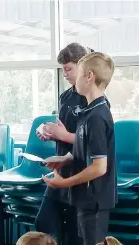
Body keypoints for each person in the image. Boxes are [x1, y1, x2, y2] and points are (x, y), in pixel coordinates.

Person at [43, 52, 117, 245]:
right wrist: (65, 159)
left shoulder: (98, 116)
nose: (73, 79)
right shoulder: (88, 112)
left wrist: (65, 183)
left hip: (95, 199)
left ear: (89, 76)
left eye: (79, 72)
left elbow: (99, 167)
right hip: (84, 198)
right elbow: (86, 149)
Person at [35, 43, 95, 245]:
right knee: (43, 225)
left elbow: (92, 140)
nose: (64, 74)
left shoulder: (94, 99)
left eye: (68, 68)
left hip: (81, 174)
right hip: (61, 171)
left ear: (83, 67)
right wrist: (50, 134)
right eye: (62, 69)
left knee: (74, 235)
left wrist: (64, 135)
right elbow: (65, 132)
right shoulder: (65, 97)